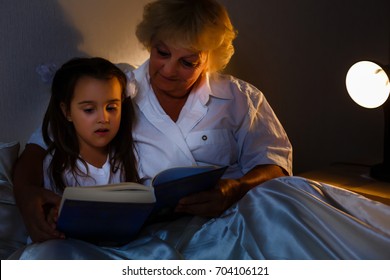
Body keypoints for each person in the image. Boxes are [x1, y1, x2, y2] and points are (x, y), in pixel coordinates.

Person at [13, 0, 292, 246]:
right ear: (150, 41)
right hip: (150, 234)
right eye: (162, 53)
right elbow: (41, 145)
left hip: (232, 221)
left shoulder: (239, 97)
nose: (169, 70)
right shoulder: (115, 88)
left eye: (187, 62)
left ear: (209, 58)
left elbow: (275, 164)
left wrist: (236, 189)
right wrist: (26, 196)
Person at [15, 57, 140, 241]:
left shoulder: (126, 156)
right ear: (67, 112)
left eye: (112, 107)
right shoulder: (58, 163)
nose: (103, 118)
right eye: (89, 110)